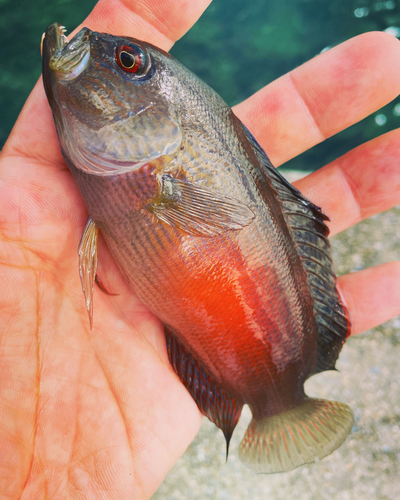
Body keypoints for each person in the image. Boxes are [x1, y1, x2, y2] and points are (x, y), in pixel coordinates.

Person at [0, 0, 399, 497]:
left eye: (128, 63)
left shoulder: (156, 172)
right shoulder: (143, 167)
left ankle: (278, 395)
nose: (102, 57)